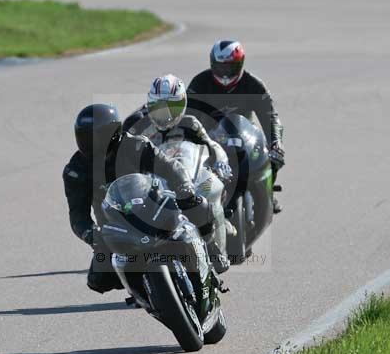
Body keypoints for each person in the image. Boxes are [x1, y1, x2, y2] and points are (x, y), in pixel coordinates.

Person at [62, 103, 206, 294]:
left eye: (94, 137)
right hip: (115, 226)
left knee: (199, 208)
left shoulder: (135, 145)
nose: (88, 143)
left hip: (153, 208)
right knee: (98, 279)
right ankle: (141, 292)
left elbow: (171, 168)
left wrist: (185, 189)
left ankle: (207, 266)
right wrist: (91, 234)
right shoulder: (76, 171)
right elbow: (77, 216)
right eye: (84, 137)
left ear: (111, 134)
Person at [123, 74, 232, 273]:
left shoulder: (191, 124)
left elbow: (212, 146)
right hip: (150, 184)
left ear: (182, 104)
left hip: (189, 179)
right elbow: (122, 154)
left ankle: (213, 247)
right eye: (158, 107)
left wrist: (221, 162)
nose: (165, 113)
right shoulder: (138, 127)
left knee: (211, 189)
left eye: (171, 107)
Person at [187, 40, 285, 213]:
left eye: (230, 67)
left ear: (241, 64)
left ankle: (267, 192)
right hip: (209, 138)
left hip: (245, 136)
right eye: (220, 67)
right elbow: (188, 114)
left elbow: (270, 116)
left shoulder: (254, 85)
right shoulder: (199, 83)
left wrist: (276, 142)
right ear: (212, 64)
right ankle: (193, 200)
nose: (225, 73)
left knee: (274, 157)